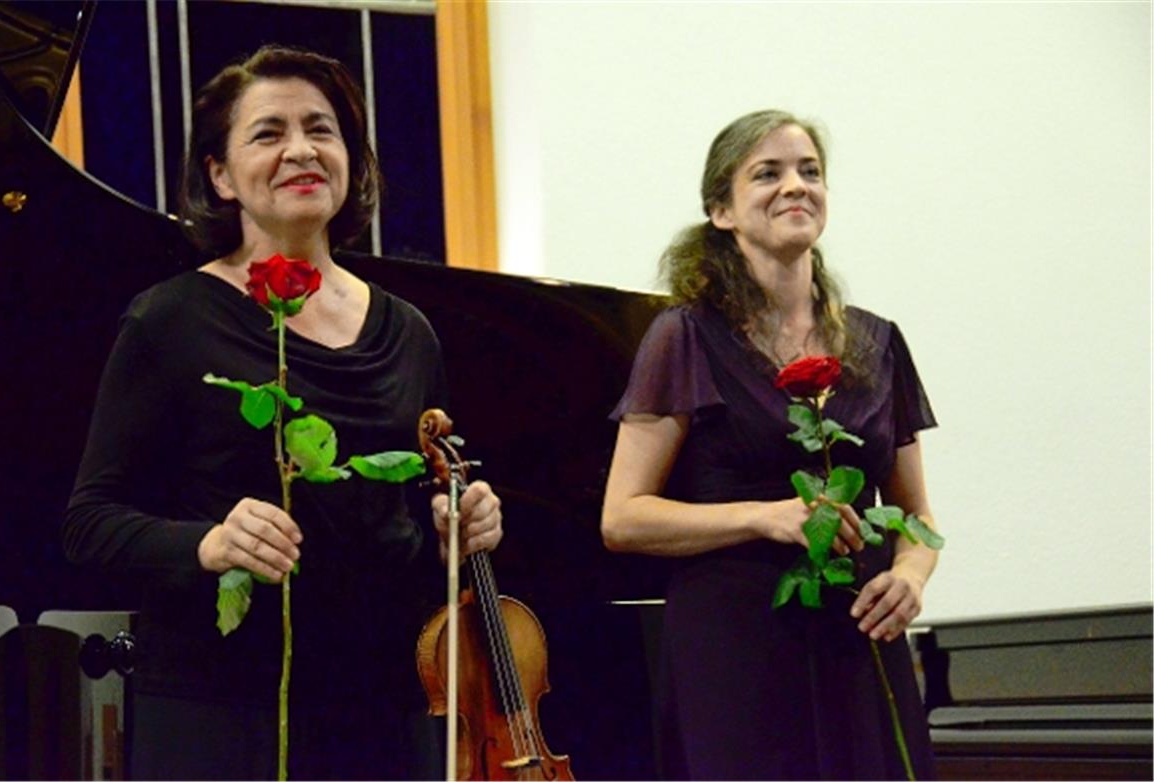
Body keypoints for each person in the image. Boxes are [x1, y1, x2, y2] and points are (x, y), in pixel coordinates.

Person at [62, 45, 502, 780]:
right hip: (220, 711)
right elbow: (90, 523)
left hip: (383, 706)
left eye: (321, 129)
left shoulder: (411, 332)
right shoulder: (169, 321)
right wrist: (209, 544)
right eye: (268, 133)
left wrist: (460, 529)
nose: (301, 149)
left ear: (351, 161)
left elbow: (404, 523)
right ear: (220, 175)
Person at [601, 110, 941, 780]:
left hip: (859, 638)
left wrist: (908, 577)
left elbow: (918, 518)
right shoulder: (686, 337)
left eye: (810, 171)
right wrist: (766, 515)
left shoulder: (880, 342)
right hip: (735, 652)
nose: (796, 186)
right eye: (769, 173)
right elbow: (623, 517)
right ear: (721, 211)